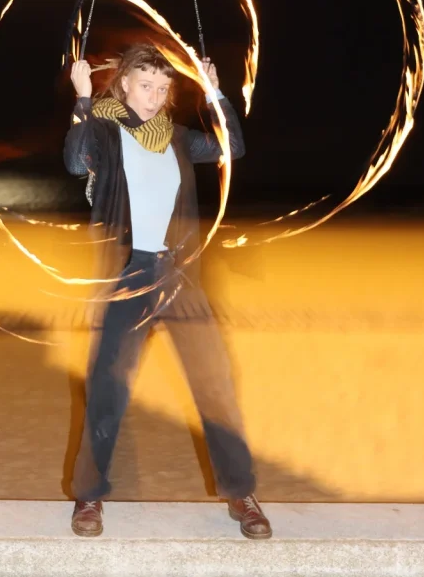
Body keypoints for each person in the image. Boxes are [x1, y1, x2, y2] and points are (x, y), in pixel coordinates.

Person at [64, 43, 271, 540]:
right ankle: (89, 496)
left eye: (162, 88)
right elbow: (74, 162)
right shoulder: (104, 131)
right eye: (145, 86)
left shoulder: (177, 138)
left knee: (214, 384)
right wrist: (82, 97)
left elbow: (231, 148)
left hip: (179, 276)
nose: (154, 97)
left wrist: (215, 93)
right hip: (127, 275)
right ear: (124, 85)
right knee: (107, 389)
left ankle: (240, 493)